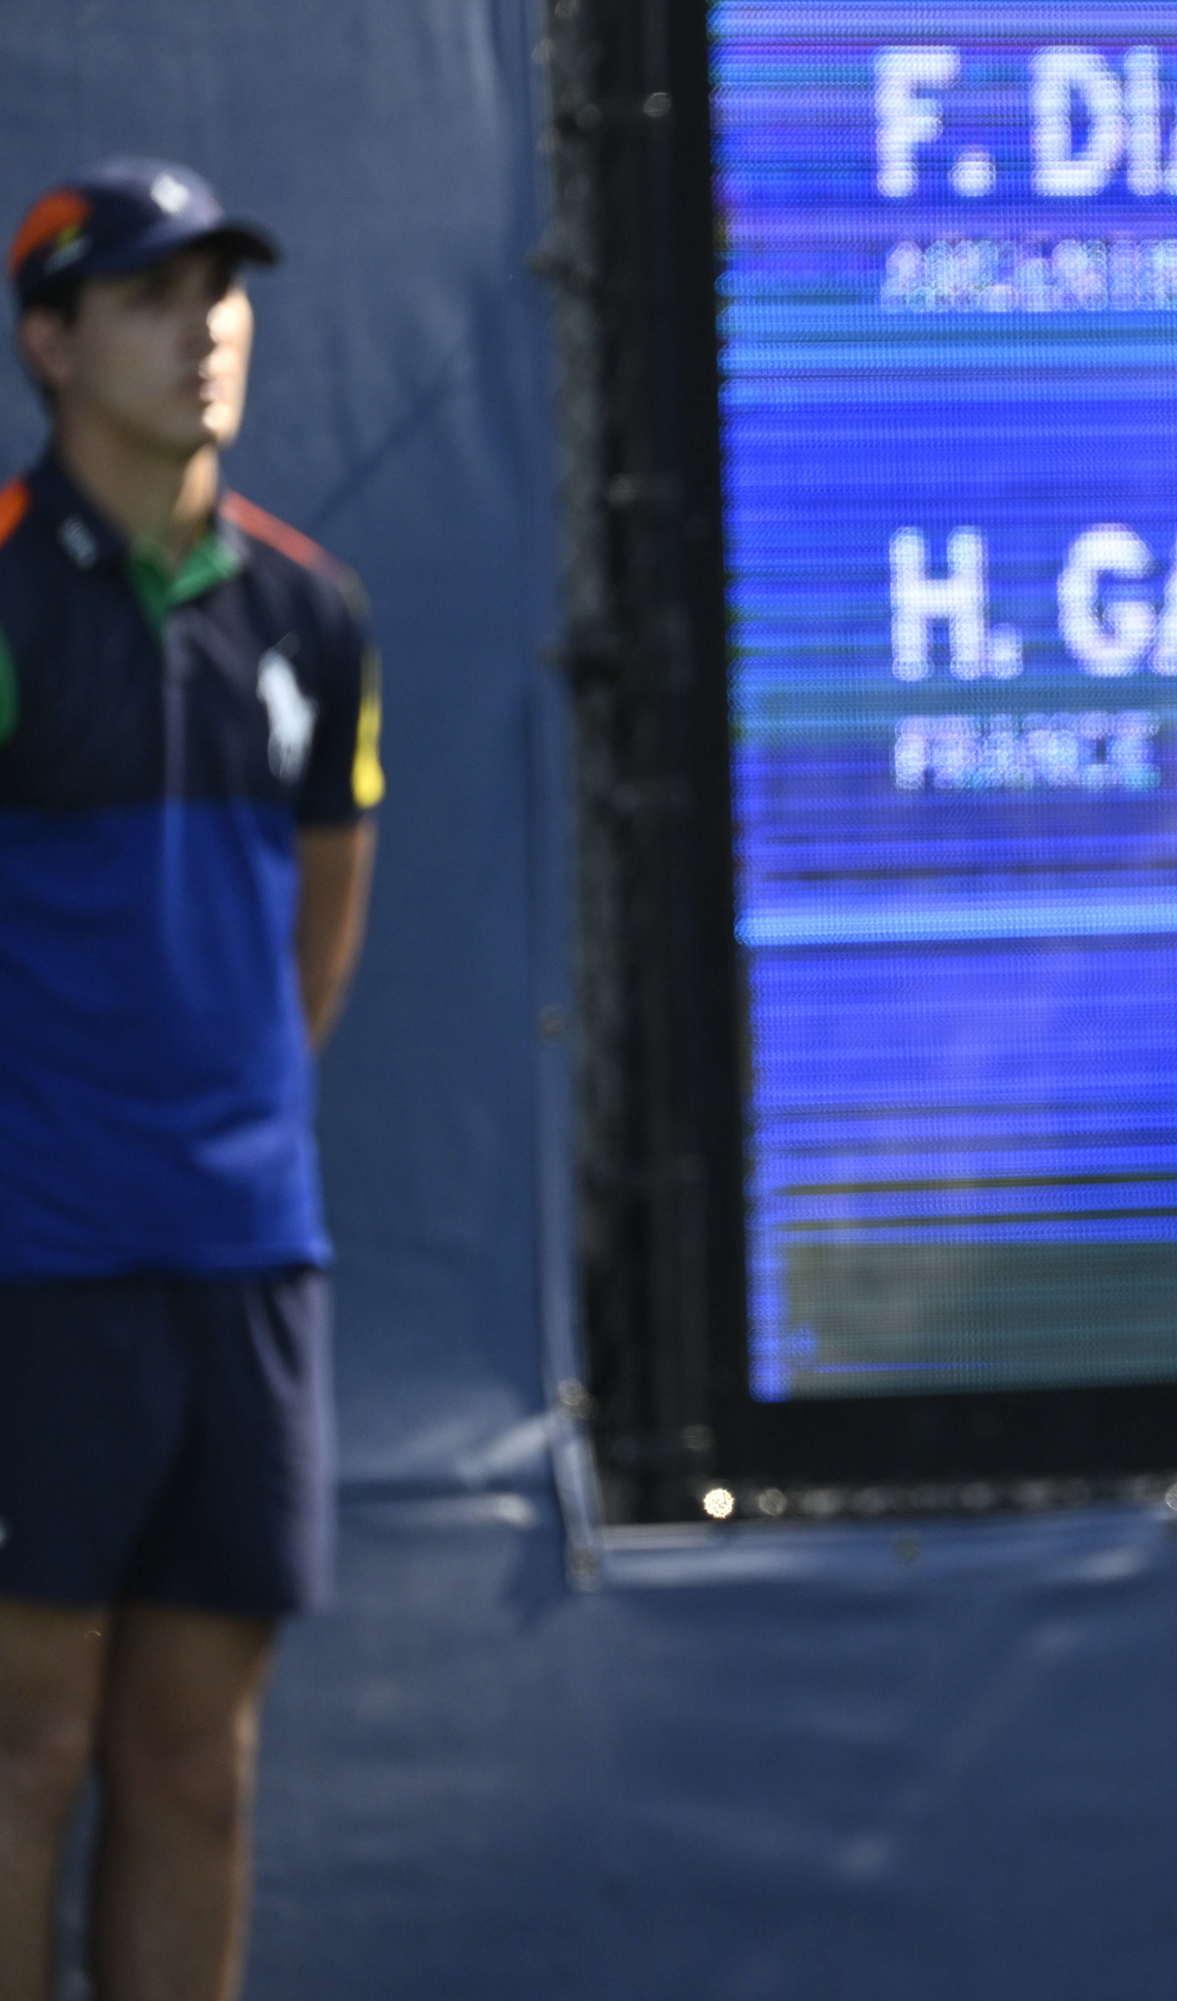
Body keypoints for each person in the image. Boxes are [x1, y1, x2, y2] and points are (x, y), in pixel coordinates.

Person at [0, 159, 380, 2001]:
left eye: (220, 291)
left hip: (243, 1261)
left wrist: (219, 1123)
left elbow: (319, 925)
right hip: (32, 1270)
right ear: (53, 344)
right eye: (153, 297)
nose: (203, 328)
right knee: (21, 1752)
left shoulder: (316, 614)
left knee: (193, 1769)